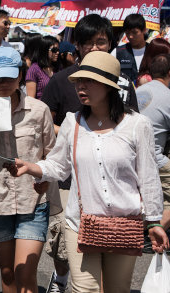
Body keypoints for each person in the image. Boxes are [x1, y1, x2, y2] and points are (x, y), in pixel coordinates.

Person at [7, 51, 169, 293]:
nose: (81, 86)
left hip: (125, 223)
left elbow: (148, 177)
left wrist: (153, 221)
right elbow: (59, 165)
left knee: (118, 289)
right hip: (80, 221)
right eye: (78, 81)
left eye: (89, 81)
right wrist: (33, 167)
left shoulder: (137, 125)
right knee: (83, 289)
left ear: (108, 85)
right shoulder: (72, 122)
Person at [41, 14, 139, 293]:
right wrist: (79, 135)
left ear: (110, 44)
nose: (95, 49)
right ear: (78, 47)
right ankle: (62, 278)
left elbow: (132, 126)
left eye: (101, 42)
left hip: (112, 183)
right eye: (87, 43)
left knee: (110, 245)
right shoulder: (61, 81)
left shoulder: (122, 83)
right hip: (72, 178)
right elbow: (47, 123)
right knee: (65, 244)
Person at [0, 46, 60, 293]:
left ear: (20, 75)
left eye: (9, 76)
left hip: (33, 200)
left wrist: (45, 177)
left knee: (24, 271)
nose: (4, 83)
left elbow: (52, 155)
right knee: (7, 273)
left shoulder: (38, 110)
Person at [137, 54, 170, 251]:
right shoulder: (167, 96)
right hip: (154, 158)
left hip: (134, 156)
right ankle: (151, 231)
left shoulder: (139, 90)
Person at [112, 13, 147, 83]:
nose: (130, 36)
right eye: (127, 33)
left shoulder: (154, 50)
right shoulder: (117, 52)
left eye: (135, 32)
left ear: (144, 30)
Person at [25, 35, 59, 100]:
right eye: (54, 50)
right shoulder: (34, 69)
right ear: (45, 49)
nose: (57, 52)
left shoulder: (58, 68)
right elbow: (31, 99)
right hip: (40, 108)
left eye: (58, 50)